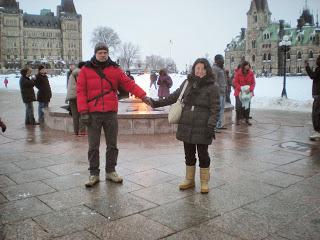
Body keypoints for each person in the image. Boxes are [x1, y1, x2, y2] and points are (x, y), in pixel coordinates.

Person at [77, 42, 151, 187]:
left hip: (110, 113)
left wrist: (143, 96)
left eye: (105, 52)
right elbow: (81, 92)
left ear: (108, 53)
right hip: (93, 113)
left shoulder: (115, 69)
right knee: (93, 146)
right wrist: (83, 111)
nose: (103, 55)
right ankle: (94, 173)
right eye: (100, 52)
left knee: (112, 145)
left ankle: (111, 171)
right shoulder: (86, 70)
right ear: (95, 53)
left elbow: (129, 84)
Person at [150, 58, 220, 193]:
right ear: (194, 69)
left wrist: (211, 125)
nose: (199, 71)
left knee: (203, 154)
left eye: (202, 69)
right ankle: (189, 179)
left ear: (207, 70)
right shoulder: (188, 82)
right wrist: (156, 103)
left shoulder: (213, 87)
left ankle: (204, 182)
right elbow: (174, 96)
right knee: (189, 154)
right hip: (186, 124)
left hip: (203, 125)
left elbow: (215, 109)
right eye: (197, 68)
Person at [66, 61, 86, 136]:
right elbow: (81, 84)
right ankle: (82, 131)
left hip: (71, 96)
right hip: (77, 96)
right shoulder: (80, 72)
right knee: (82, 113)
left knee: (75, 115)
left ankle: (76, 132)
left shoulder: (73, 72)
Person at [233, 61, 255, 126]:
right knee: (239, 106)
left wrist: (250, 89)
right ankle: (238, 119)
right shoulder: (238, 73)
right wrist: (241, 89)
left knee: (247, 106)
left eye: (249, 65)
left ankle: (247, 119)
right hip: (239, 92)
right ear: (243, 66)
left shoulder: (251, 73)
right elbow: (235, 82)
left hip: (248, 92)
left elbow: (253, 83)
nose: (248, 66)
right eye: (246, 65)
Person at [305, 56, 320, 140]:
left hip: (318, 95)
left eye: (318, 59)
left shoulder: (319, 69)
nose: (316, 61)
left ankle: (317, 131)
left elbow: (312, 75)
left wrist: (307, 67)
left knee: (316, 113)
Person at [212, 54, 227, 130]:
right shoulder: (215, 68)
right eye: (221, 59)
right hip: (218, 93)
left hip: (223, 92)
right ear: (216, 60)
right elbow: (214, 81)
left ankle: (219, 125)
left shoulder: (221, 68)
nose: (223, 60)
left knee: (222, 109)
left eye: (222, 59)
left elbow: (224, 79)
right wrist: (220, 89)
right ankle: (215, 126)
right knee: (217, 110)